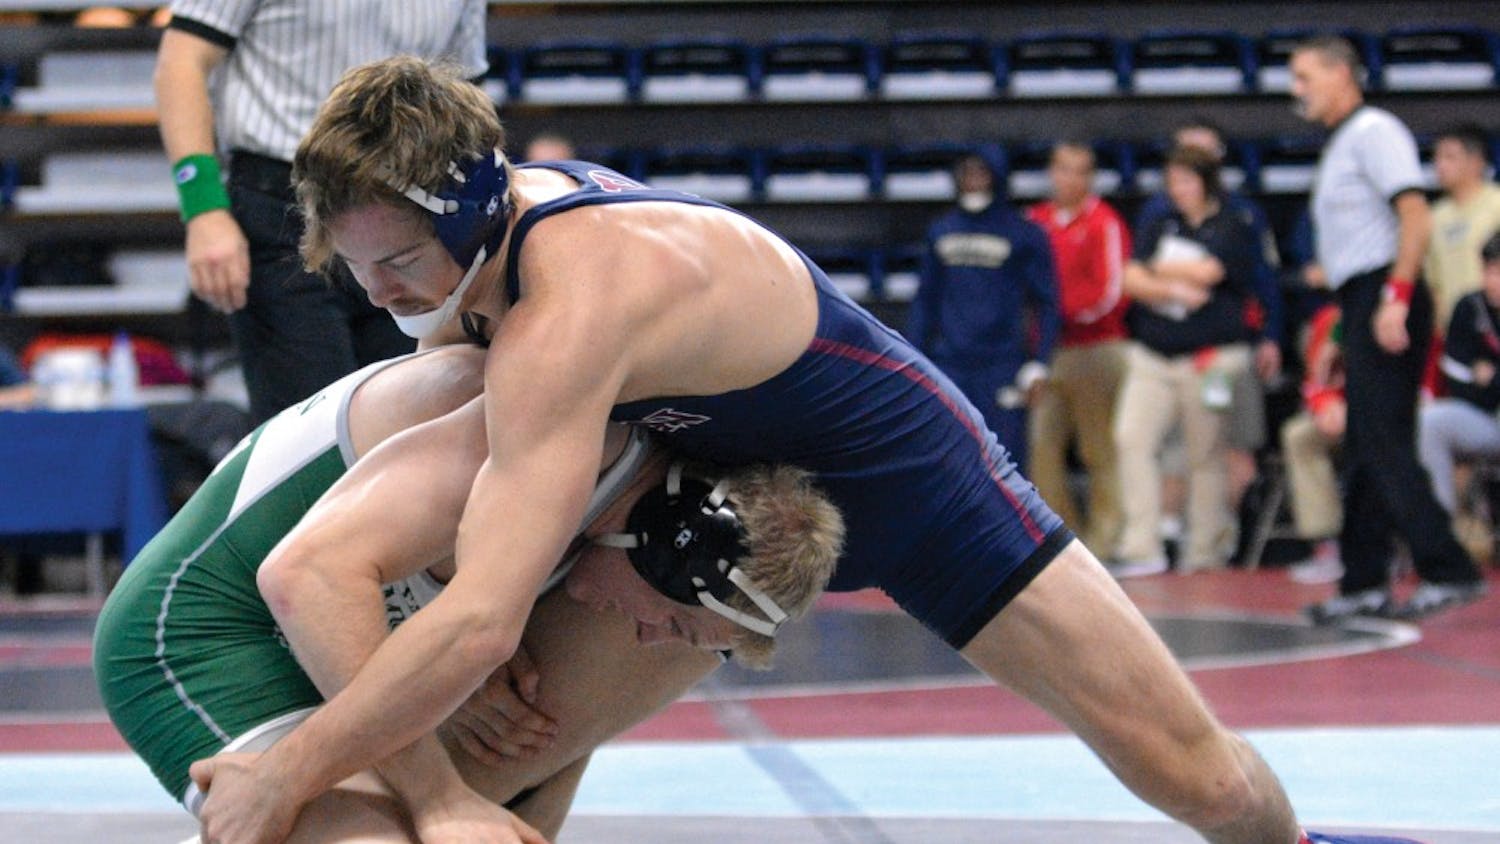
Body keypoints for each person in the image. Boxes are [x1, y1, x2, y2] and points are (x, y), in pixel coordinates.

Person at [191, 56, 1407, 844]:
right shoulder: (490, 249)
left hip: (908, 477)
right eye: (358, 271)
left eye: (399, 262)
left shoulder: (569, 308)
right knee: (489, 762)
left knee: (1194, 776)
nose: (384, 293)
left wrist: (284, 769)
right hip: (718, 497)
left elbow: (477, 623)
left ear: (464, 211)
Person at [94, 342, 842, 841]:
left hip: (351, 619)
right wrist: (437, 798)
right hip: (212, 628)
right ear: (663, 548)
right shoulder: (539, 445)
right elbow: (303, 578)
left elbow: (568, 731)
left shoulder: (621, 519)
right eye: (672, 620)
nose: (648, 637)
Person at [152, 0, 488, 423]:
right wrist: (203, 209)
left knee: (412, 427)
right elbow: (181, 61)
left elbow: (464, 95)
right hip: (283, 208)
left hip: (412, 216)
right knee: (306, 440)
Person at [1291, 35, 1487, 623]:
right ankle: (1364, 580)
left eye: (1304, 77)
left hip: (1386, 290)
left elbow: (1414, 216)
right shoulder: (1345, 141)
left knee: (1383, 441)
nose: (1295, 90)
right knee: (1362, 447)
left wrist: (1396, 298)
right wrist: (1343, 337)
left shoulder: (1375, 131)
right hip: (1363, 298)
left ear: (1340, 73)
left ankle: (1448, 568)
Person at [1113, 145, 1258, 577]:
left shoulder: (1232, 224)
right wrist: (1173, 287)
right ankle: (1142, 545)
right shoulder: (1160, 220)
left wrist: (1158, 271)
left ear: (1208, 182)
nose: (1179, 190)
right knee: (1131, 438)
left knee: (1205, 452)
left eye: (1187, 181)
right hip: (1154, 353)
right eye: (1173, 182)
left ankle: (1205, 550)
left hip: (1209, 357)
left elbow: (1210, 273)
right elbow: (1131, 278)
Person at [907, 149, 1060, 469]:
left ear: (997, 176)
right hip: (950, 363)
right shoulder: (941, 230)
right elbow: (926, 300)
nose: (973, 182)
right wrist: (914, 357)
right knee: (948, 456)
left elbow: (1046, 301)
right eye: (967, 173)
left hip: (1002, 364)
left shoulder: (1023, 233)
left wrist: (1039, 361)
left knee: (1005, 461)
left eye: (982, 173)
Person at [1026, 140, 1131, 555]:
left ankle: (1106, 539)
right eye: (1064, 169)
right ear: (1052, 172)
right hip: (1048, 353)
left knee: (1097, 447)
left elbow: (1111, 292)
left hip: (1094, 347)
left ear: (1090, 178)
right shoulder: (1035, 222)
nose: (1071, 178)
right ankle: (1059, 542)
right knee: (1041, 445)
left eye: (1080, 171)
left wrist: (1057, 316)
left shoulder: (1104, 222)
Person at [1420, 233, 1500, 519]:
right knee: (1430, 421)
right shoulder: (1469, 308)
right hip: (1484, 417)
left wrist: (1492, 377)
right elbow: (1457, 377)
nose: (1491, 281)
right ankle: (1442, 532)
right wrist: (1489, 385)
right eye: (1488, 270)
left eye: (1498, 272)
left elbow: (1483, 378)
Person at [1278, 303, 1345, 584]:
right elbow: (1315, 380)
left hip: (1389, 415)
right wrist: (1326, 405)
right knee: (1299, 435)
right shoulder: (1331, 319)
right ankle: (1326, 544)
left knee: (1379, 438)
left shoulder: (1406, 311)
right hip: (1336, 416)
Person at [1424, 123, 1500, 333]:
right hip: (1454, 332)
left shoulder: (1496, 203)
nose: (1439, 165)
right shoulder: (1434, 216)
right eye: (1436, 157)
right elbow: (1433, 282)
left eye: (1449, 157)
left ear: (1476, 162)